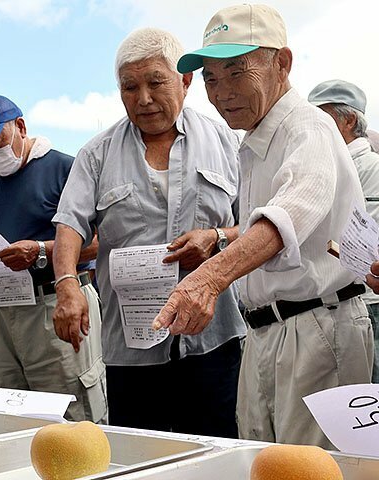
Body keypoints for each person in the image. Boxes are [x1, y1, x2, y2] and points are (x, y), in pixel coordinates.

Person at [159, 4, 372, 448]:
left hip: (317, 328)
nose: (222, 93)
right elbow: (268, 222)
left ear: (283, 63)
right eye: (211, 79)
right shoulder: (255, 142)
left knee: (313, 470)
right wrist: (220, 241)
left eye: (237, 72)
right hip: (266, 332)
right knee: (262, 460)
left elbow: (287, 216)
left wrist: (207, 279)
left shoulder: (308, 127)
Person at [52, 28, 245, 437]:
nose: (143, 98)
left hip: (213, 337)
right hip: (132, 346)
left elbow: (253, 224)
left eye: (156, 82)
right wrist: (67, 284)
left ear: (186, 81)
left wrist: (217, 238)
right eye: (129, 87)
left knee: (215, 450)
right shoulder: (96, 153)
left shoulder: (227, 142)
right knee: (141, 454)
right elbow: (70, 222)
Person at [0, 94, 106, 422]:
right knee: (6, 410)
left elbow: (98, 241)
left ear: (21, 126)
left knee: (67, 412)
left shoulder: (66, 168)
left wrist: (39, 250)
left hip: (55, 305)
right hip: (1, 314)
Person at [308, 79, 379, 383]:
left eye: (321, 119)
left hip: (369, 305)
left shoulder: (371, 168)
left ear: (349, 120)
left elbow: (359, 246)